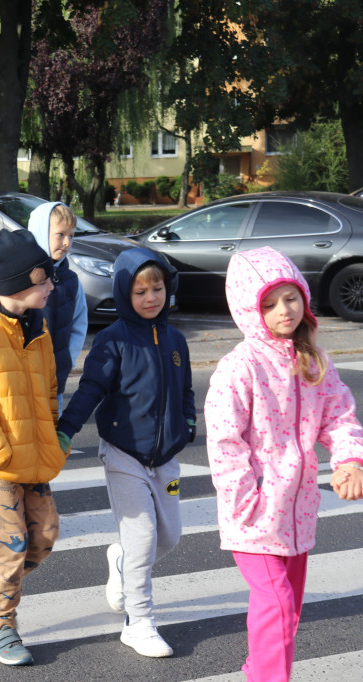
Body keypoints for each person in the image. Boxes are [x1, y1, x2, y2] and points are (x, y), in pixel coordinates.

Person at [205, 246, 363, 682]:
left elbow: (339, 415)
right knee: (277, 604)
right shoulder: (240, 367)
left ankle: (259, 668)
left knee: (286, 609)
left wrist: (350, 460)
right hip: (255, 512)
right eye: (269, 304)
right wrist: (245, 499)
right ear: (248, 309)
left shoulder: (313, 358)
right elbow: (223, 440)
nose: (283, 311)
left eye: (290, 297)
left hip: (298, 509)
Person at [57, 247, 195, 658]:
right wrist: (65, 429)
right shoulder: (113, 340)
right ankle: (139, 623)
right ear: (123, 293)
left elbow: (186, 391)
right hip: (124, 455)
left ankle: (119, 559)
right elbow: (91, 390)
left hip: (166, 456)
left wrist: (187, 426)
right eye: (139, 291)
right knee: (143, 539)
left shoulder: (175, 339)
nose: (150, 297)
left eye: (156, 288)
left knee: (168, 538)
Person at [0, 227, 68, 667]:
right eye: (44, 281)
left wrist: (53, 437)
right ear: (20, 283)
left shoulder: (36, 327)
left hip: (36, 455)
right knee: (15, 542)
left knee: (45, 535)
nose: (51, 288)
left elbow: (50, 387)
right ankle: (2, 627)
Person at [28, 202, 87, 404]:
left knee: (52, 431)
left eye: (71, 236)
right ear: (40, 232)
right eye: (60, 234)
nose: (66, 243)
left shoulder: (71, 281)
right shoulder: (24, 277)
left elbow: (79, 324)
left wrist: (66, 360)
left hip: (56, 381)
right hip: (24, 380)